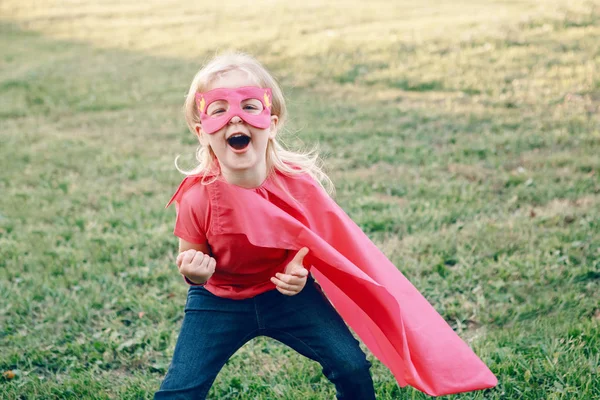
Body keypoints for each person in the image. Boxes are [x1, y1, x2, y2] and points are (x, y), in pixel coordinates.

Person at [156, 52, 497, 399]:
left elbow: (312, 244)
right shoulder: (197, 198)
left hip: (285, 295)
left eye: (249, 106)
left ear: (271, 124)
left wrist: (297, 271)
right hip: (218, 299)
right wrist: (196, 271)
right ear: (202, 133)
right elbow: (191, 258)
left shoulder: (298, 186)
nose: (235, 120)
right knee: (179, 391)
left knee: (351, 366)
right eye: (218, 110)